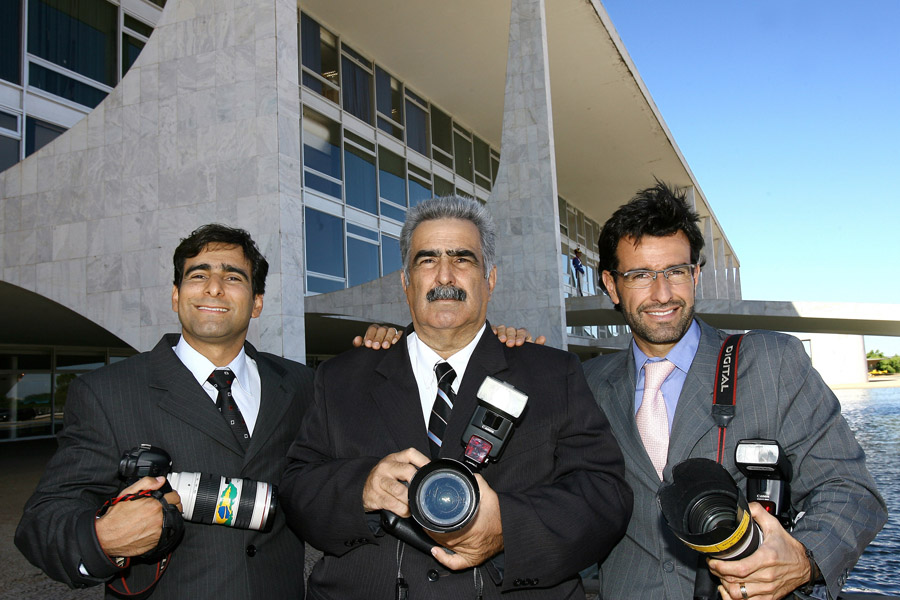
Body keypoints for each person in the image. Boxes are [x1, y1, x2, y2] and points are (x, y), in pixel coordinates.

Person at [280, 195, 632, 599]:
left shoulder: (554, 374)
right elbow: (296, 487)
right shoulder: (340, 377)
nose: (444, 275)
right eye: (427, 260)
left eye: (463, 259)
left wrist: (507, 529)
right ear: (405, 281)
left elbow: (604, 494)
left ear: (490, 279)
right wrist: (361, 489)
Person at [583, 181, 886, 600]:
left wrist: (801, 558)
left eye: (676, 271)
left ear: (696, 275)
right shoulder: (587, 383)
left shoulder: (771, 361)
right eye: (639, 275)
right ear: (612, 286)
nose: (663, 293)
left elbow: (851, 489)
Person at [15, 224, 314, 598]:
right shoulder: (107, 392)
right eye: (198, 274)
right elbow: (42, 518)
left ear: (257, 302)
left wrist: (383, 347)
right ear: (176, 296)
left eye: (233, 276)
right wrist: (100, 537)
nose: (214, 287)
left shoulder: (301, 384)